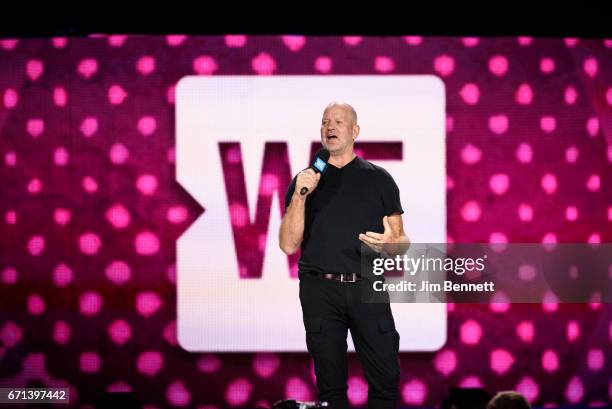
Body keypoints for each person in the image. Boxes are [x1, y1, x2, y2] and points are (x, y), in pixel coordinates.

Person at [279, 101, 410, 409]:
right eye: (325, 122)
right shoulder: (304, 181)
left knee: (385, 379)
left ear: (355, 131)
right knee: (330, 388)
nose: (330, 127)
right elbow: (287, 244)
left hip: (367, 286)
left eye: (338, 121)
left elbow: (400, 239)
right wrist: (300, 196)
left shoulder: (378, 179)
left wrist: (390, 244)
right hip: (320, 289)